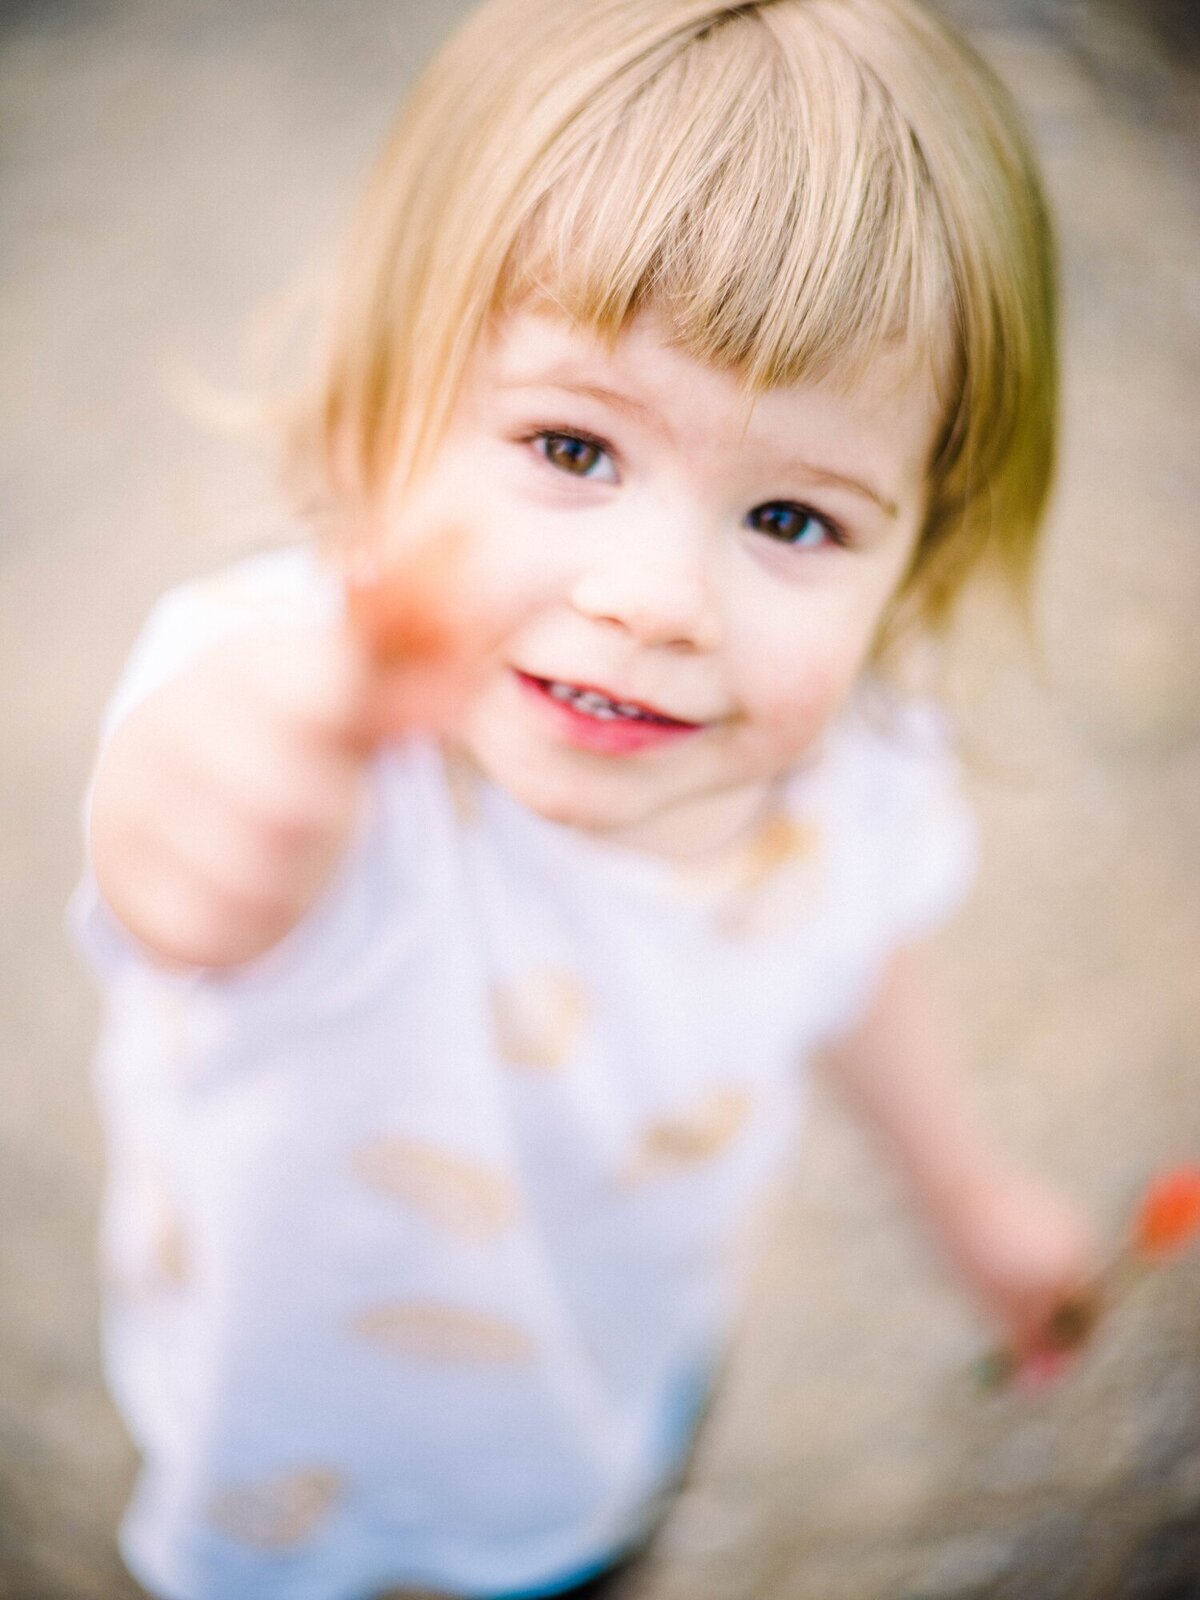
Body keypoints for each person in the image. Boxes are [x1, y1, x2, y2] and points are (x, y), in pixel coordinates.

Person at [73, 1, 1097, 1596]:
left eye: (792, 517)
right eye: (571, 443)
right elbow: (192, 853)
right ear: (375, 406)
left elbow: (852, 951)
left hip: (609, 1419)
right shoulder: (320, 741)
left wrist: (964, 1190)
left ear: (921, 555)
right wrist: (275, 760)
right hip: (302, 1494)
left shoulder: (851, 768)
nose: (658, 597)